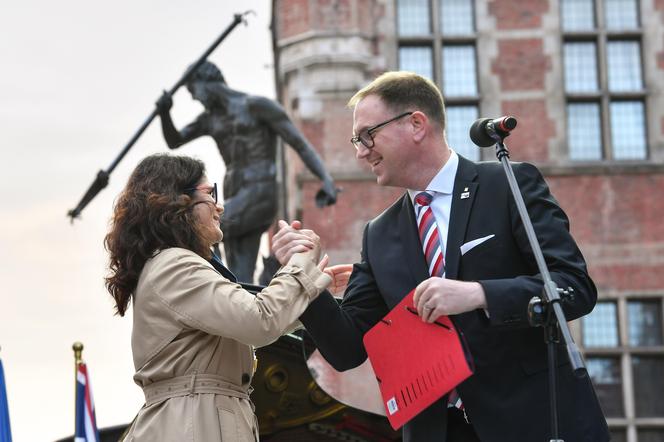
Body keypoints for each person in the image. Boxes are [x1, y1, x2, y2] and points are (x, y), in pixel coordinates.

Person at [272, 72, 609, 442]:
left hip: (533, 421)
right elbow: (346, 349)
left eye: (368, 135)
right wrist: (301, 272)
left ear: (416, 124)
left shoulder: (508, 185)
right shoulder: (379, 234)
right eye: (357, 139)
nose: (360, 151)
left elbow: (574, 287)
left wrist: (478, 293)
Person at [104, 153, 331, 441]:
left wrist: (315, 288)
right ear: (177, 202)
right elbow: (259, 320)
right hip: (194, 422)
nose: (219, 206)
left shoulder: (167, 266)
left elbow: (252, 320)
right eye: (210, 194)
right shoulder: (174, 265)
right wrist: (301, 263)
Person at [156, 61, 338, 283]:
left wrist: (326, 179)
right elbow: (174, 140)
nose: (195, 98)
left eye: (193, 90)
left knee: (199, 225)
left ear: (204, 81)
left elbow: (299, 143)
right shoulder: (210, 119)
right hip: (233, 193)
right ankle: (244, 303)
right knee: (239, 276)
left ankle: (210, 284)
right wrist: (165, 113)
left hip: (259, 191)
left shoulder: (256, 106)